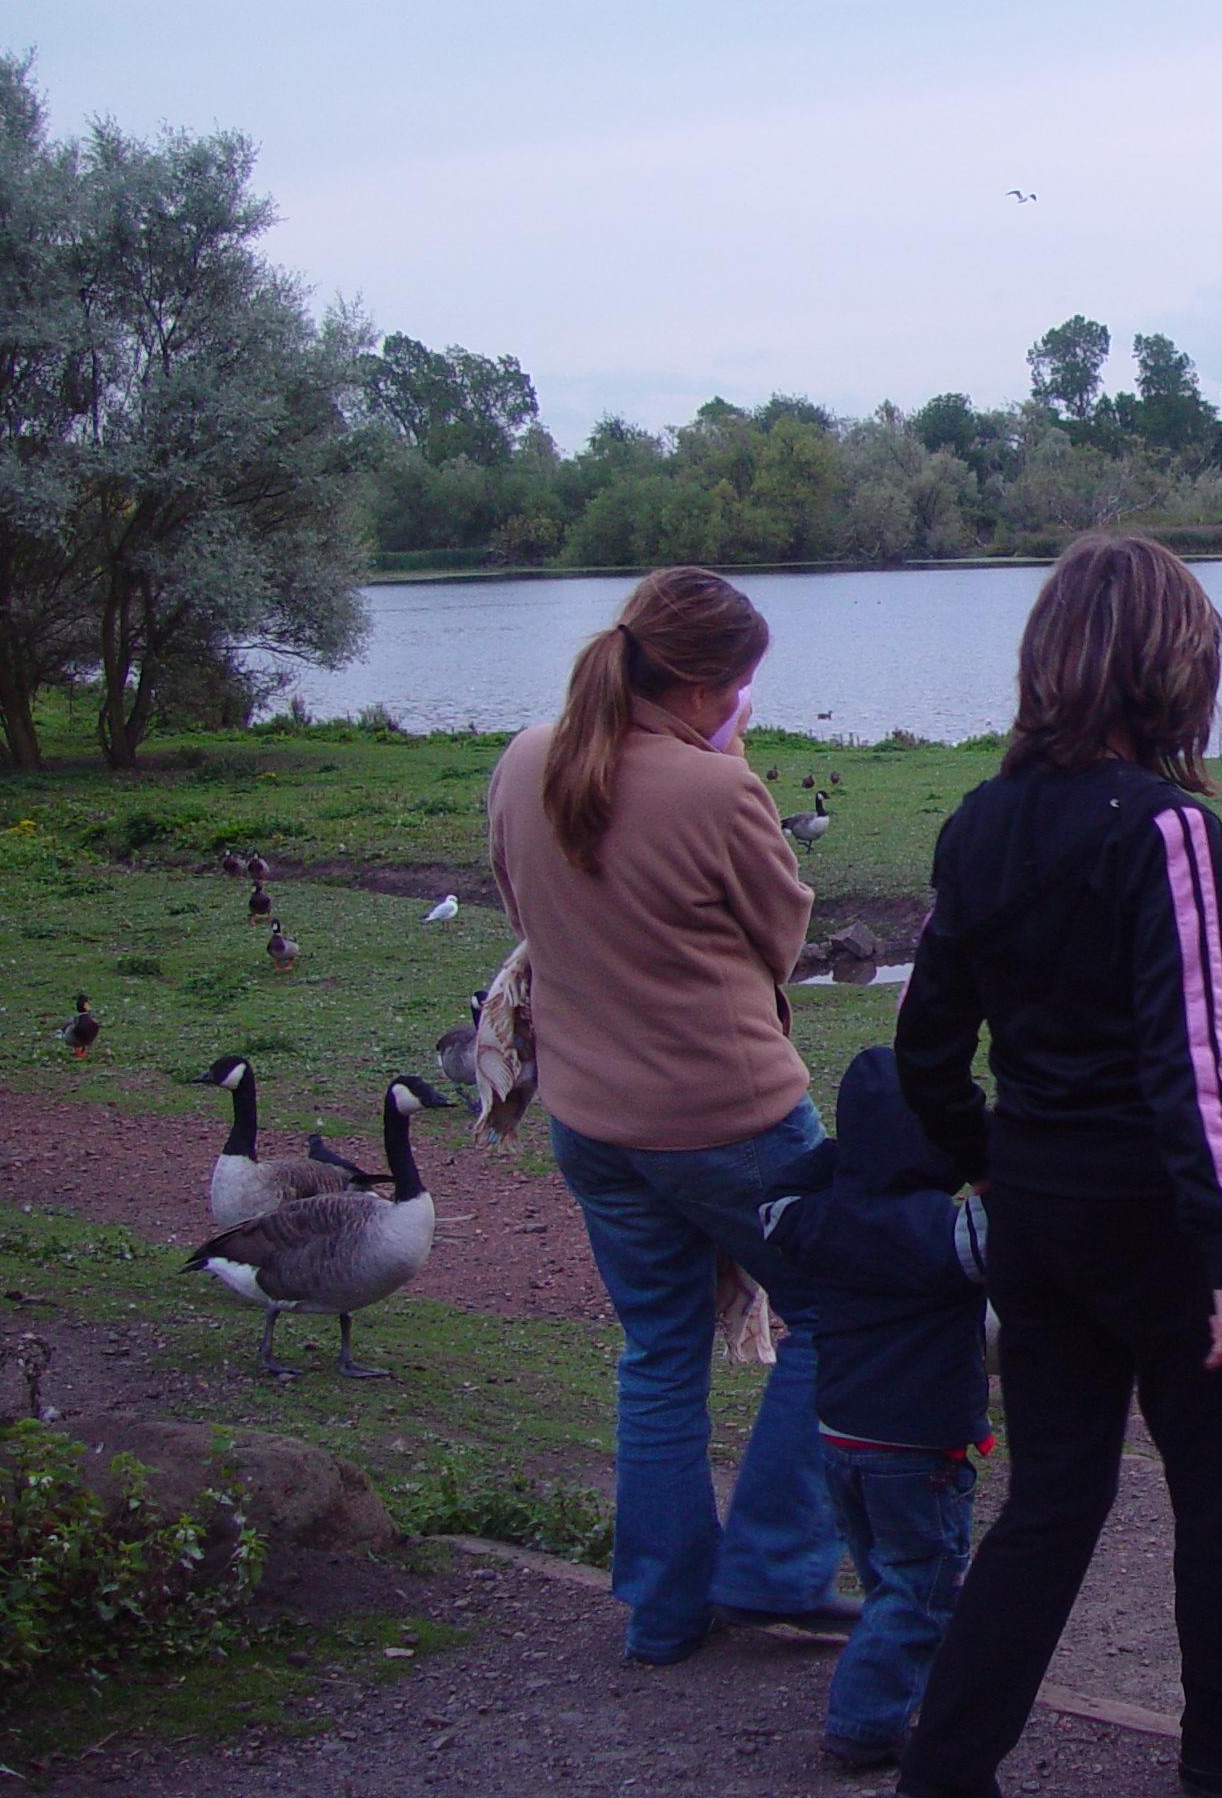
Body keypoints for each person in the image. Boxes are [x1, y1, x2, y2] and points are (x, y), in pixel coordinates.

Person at [892, 532, 1222, 1798]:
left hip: (1033, 1215)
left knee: (1049, 1503)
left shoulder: (976, 822)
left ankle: (946, 1765)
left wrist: (995, 1163)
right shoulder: (1169, 832)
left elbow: (925, 1052)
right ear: (1171, 671)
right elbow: (1190, 1067)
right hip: (1150, 1224)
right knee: (1221, 1500)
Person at [485, 565, 855, 1665]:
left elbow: (523, 907)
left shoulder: (521, 761)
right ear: (710, 690)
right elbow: (784, 937)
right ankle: (776, 1570)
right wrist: (727, 766)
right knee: (847, 1309)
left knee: (657, 1350)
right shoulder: (715, 788)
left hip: (594, 1124)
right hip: (730, 1120)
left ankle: (662, 1607)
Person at [760, 1044, 991, 1772]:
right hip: (916, 1448)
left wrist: (850, 1152)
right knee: (919, 1591)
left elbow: (775, 1196)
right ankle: (863, 1726)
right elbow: (1013, 1225)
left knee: (890, 1578)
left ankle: (901, 1691)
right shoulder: (939, 1232)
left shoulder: (817, 1217)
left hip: (840, 1437)